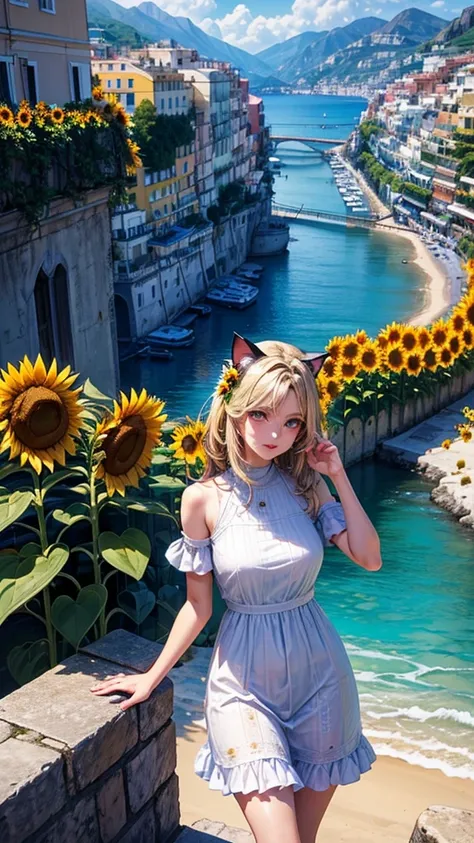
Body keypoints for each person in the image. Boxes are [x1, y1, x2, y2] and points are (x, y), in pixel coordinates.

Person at [90, 333, 382, 843]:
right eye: (262, 415)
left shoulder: (307, 487)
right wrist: (152, 676)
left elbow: (370, 558)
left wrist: (338, 476)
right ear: (234, 408)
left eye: (292, 422)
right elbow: (197, 607)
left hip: (322, 680)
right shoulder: (202, 500)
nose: (276, 434)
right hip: (243, 687)